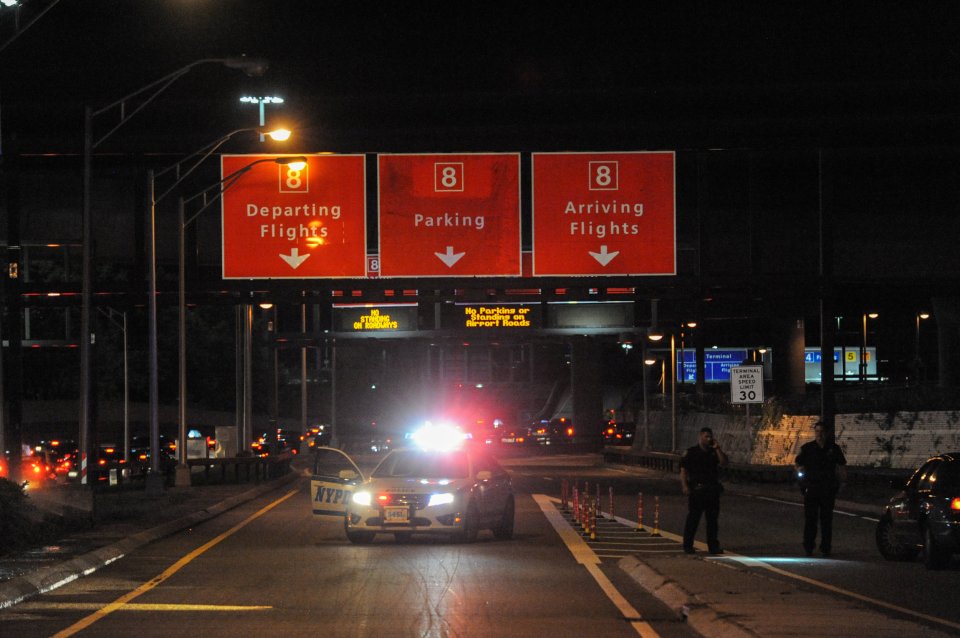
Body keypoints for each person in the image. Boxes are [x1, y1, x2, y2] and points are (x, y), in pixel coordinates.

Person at [795, 421, 847, 557]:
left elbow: (841, 466)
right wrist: (801, 480)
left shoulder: (834, 449)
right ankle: (808, 546)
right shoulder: (808, 448)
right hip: (811, 489)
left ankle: (825, 547)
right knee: (810, 519)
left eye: (822, 432)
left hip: (828, 489)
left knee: (826, 520)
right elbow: (798, 463)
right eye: (817, 431)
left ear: (827, 433)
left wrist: (842, 483)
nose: (819, 434)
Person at [679, 427, 728, 554]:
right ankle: (688, 545)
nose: (708, 439)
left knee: (712, 521)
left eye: (710, 437)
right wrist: (685, 486)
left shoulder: (713, 452)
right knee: (693, 519)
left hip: (712, 490)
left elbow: (723, 463)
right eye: (706, 437)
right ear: (700, 436)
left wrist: (717, 448)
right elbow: (683, 470)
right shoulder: (691, 452)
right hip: (697, 490)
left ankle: (713, 546)